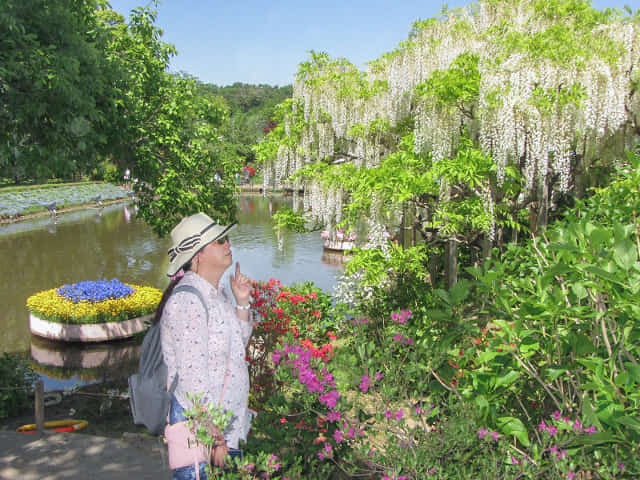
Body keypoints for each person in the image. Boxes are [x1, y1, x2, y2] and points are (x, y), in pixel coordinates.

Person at [155, 212, 253, 479]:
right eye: (219, 241)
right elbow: (191, 381)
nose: (227, 244)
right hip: (204, 434)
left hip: (226, 425)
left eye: (226, 239)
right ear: (197, 254)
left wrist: (241, 302)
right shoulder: (187, 302)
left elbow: (237, 347)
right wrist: (215, 439)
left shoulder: (216, 293)